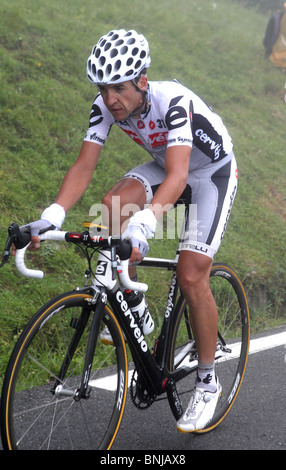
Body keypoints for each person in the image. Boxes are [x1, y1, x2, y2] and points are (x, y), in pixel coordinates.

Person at [19, 29, 237, 432]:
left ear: (141, 80)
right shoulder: (105, 107)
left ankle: (208, 382)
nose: (109, 99)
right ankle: (138, 314)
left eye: (118, 88)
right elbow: (84, 165)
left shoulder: (173, 103)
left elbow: (179, 175)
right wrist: (53, 214)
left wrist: (146, 220)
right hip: (168, 164)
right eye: (103, 89)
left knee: (191, 274)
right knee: (113, 205)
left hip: (209, 174)